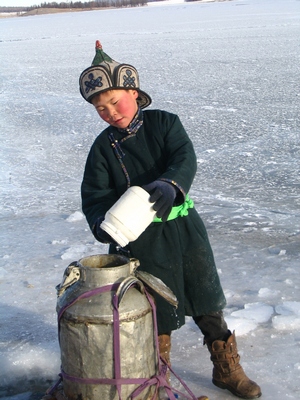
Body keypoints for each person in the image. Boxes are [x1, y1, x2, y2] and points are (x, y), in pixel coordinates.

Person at [79, 40, 262, 400]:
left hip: (184, 229)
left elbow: (184, 156)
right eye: (101, 109)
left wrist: (170, 183)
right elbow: (94, 194)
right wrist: (102, 221)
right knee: (153, 307)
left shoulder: (165, 123)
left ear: (133, 91)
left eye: (115, 102)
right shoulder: (102, 148)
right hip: (140, 239)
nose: (110, 112)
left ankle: (226, 369)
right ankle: (154, 374)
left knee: (205, 296)